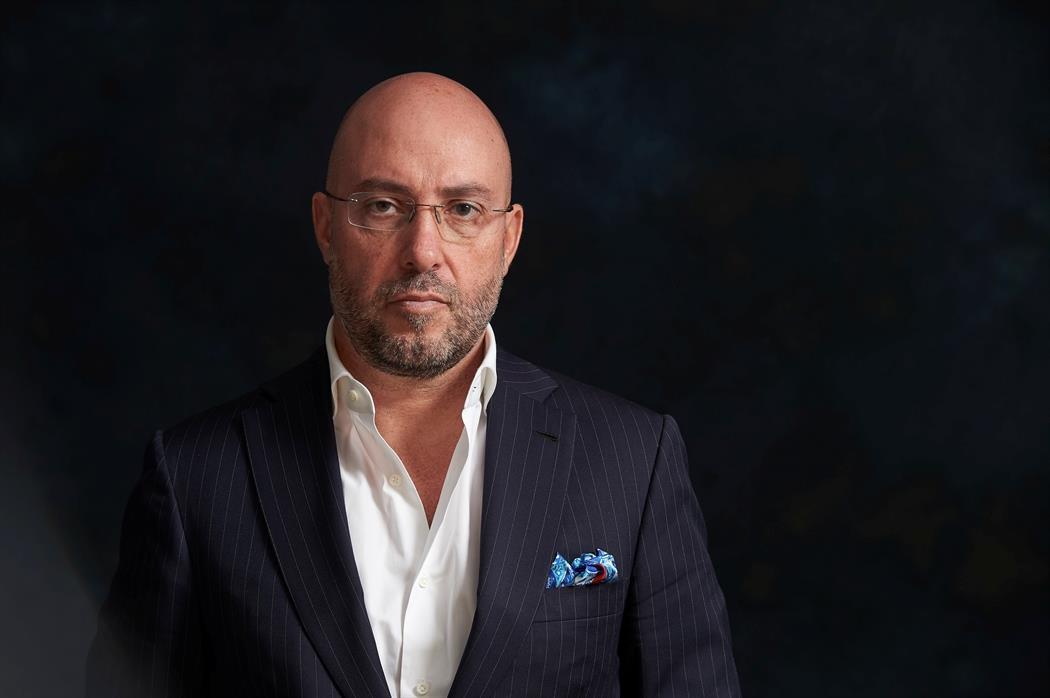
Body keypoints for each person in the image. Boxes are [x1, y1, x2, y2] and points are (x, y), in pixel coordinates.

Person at [86, 72, 740, 697]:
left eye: (463, 209)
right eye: (382, 206)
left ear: (508, 238)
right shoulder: (195, 480)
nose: (423, 251)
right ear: (325, 227)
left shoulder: (634, 463)